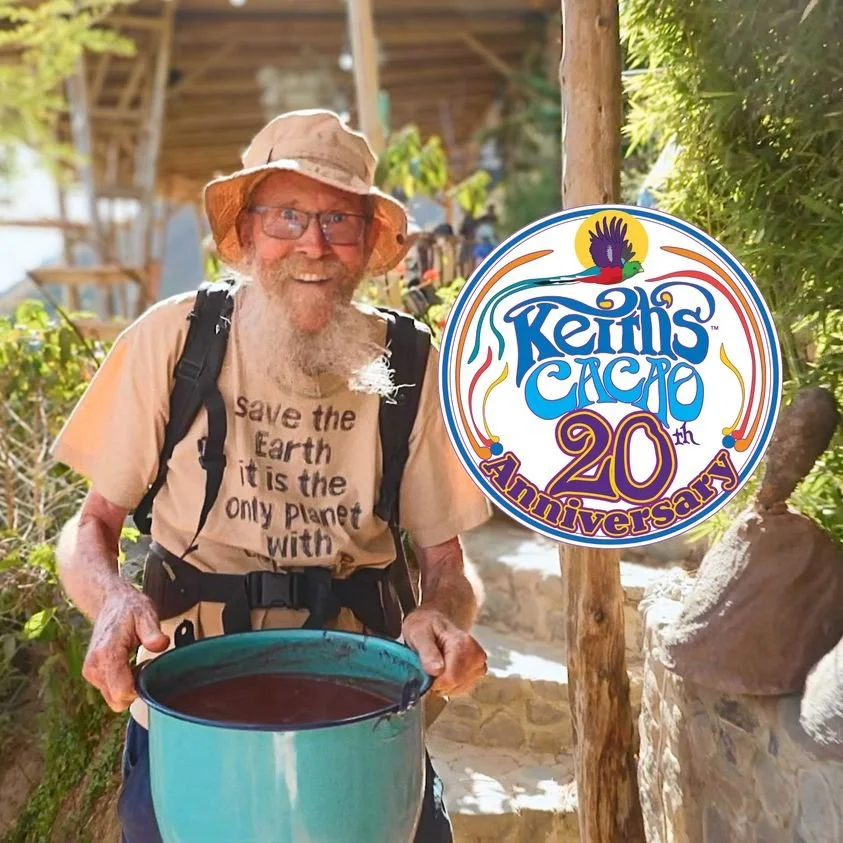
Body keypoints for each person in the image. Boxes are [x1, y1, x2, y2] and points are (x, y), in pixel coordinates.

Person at [51, 109, 492, 843]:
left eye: (337, 219)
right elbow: (89, 525)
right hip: (192, 709)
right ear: (247, 232)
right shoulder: (176, 340)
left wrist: (440, 612)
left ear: (367, 241)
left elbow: (446, 561)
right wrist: (110, 599)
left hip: (362, 712)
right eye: (287, 215)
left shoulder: (410, 362)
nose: (312, 243)